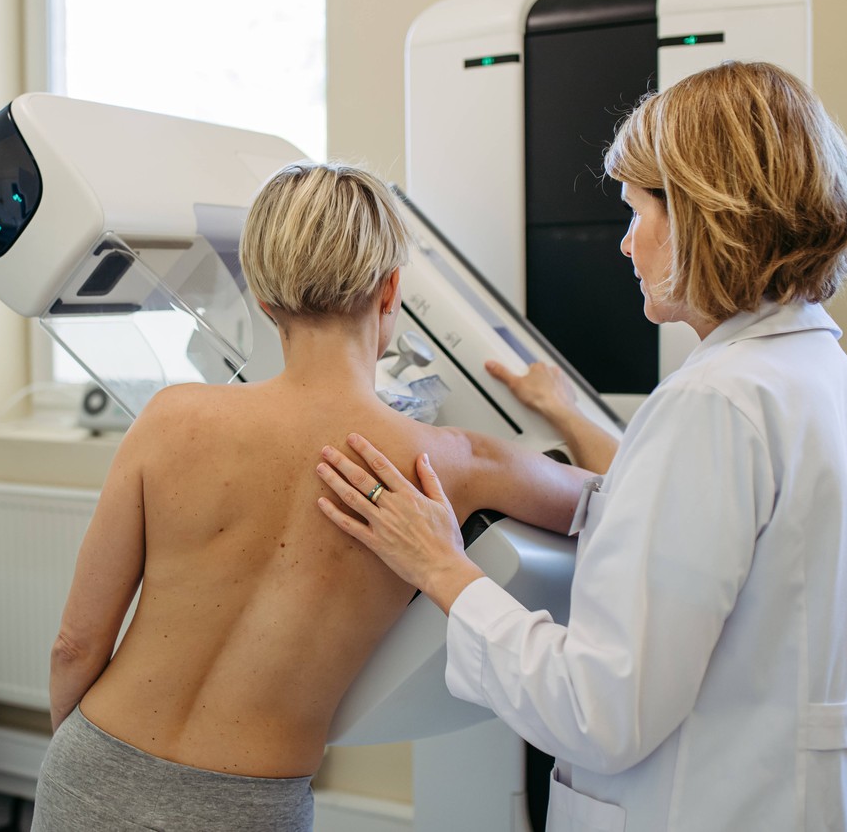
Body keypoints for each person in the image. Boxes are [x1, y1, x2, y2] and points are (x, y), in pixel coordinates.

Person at [316, 61, 847, 831]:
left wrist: (441, 566)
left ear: (707, 213)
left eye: (639, 210)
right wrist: (569, 421)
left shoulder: (716, 403)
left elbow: (597, 710)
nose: (626, 242)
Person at [33, 161, 592, 831]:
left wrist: (83, 762)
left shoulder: (170, 419)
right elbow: (626, 503)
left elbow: (74, 643)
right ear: (390, 293)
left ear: (264, 300)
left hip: (93, 767)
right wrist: (565, 413)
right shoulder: (452, 462)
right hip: (248, 807)